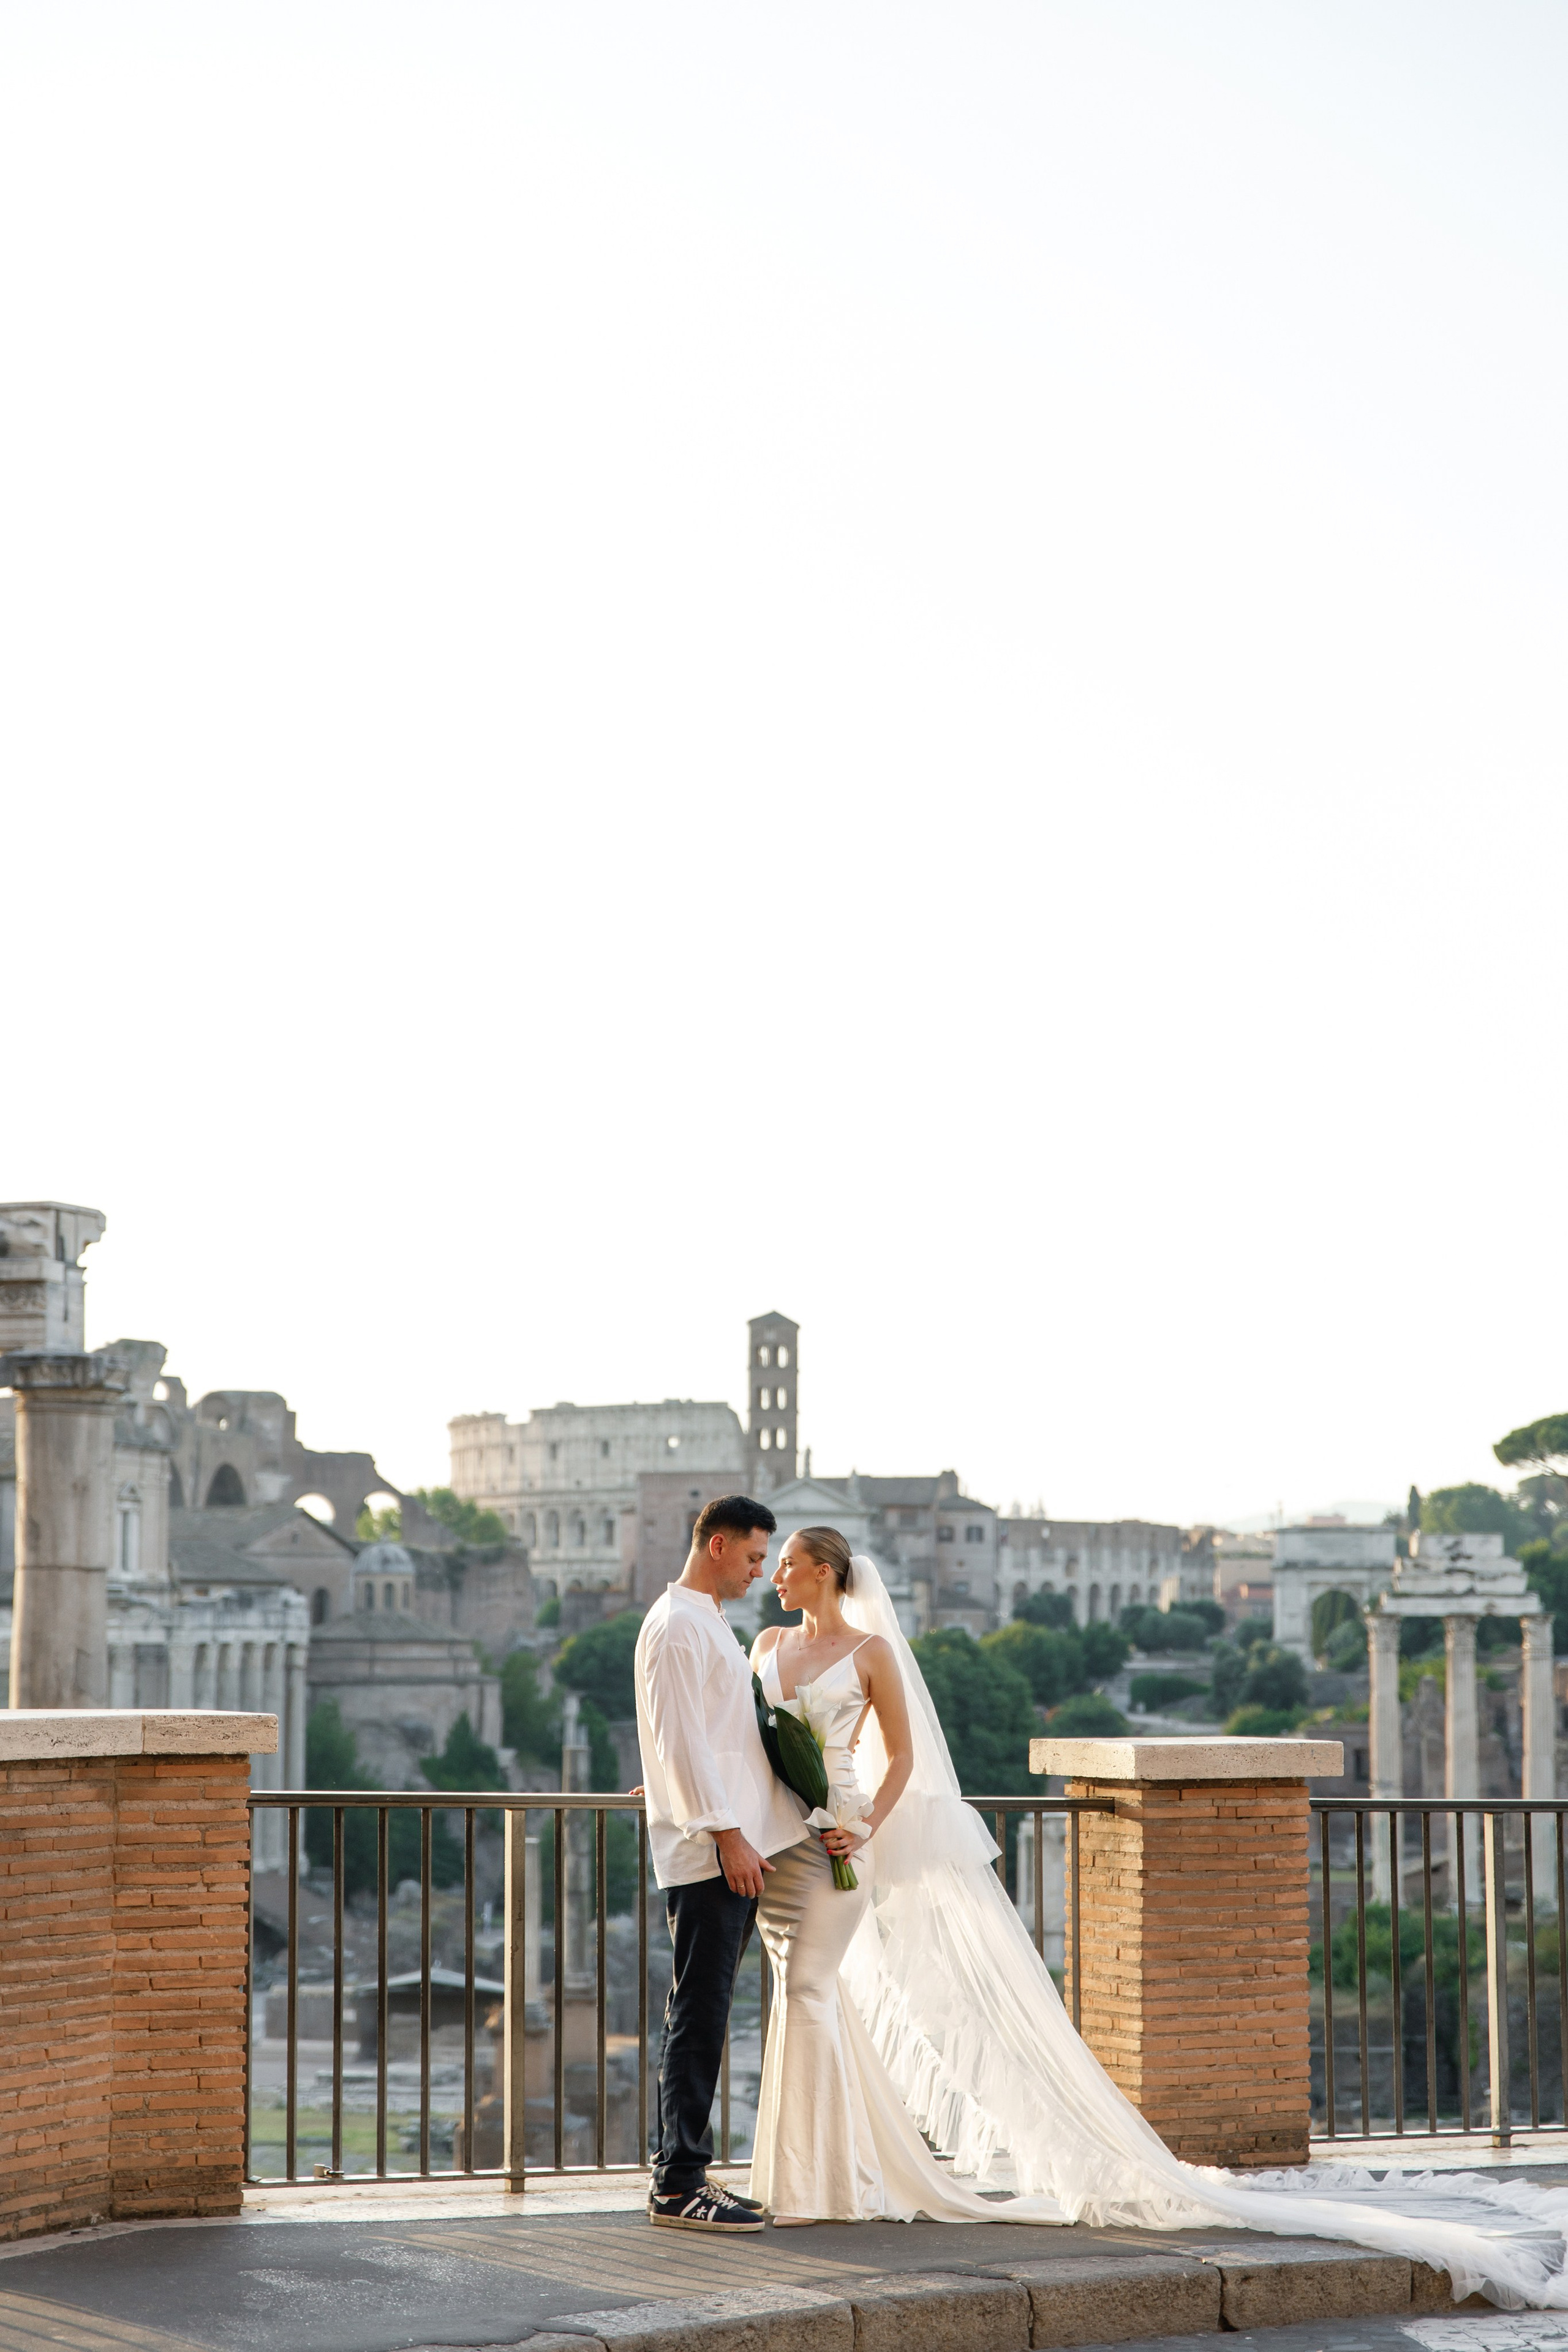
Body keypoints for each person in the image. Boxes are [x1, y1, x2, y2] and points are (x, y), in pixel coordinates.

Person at [745, 1526, 1568, 2305]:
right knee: (803, 1996)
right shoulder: (768, 1646)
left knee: (811, 1993)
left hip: (841, 1841)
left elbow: (905, 1759)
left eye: (786, 1562)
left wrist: (867, 1822)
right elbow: (743, 1742)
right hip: (780, 1845)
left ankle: (819, 2180)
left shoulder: (873, 1650)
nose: (775, 1575)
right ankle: (801, 2172)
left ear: (825, 1570)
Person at [633, 1493, 806, 2233]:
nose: (758, 1572)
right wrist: (724, 1832)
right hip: (712, 1851)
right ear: (716, 1547)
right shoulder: (679, 1627)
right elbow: (682, 1741)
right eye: (752, 1556)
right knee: (698, 2014)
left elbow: (707, 1735)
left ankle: (684, 2173)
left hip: (723, 1837)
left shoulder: (705, 1621)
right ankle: (678, 2185)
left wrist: (680, 1787)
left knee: (702, 2010)